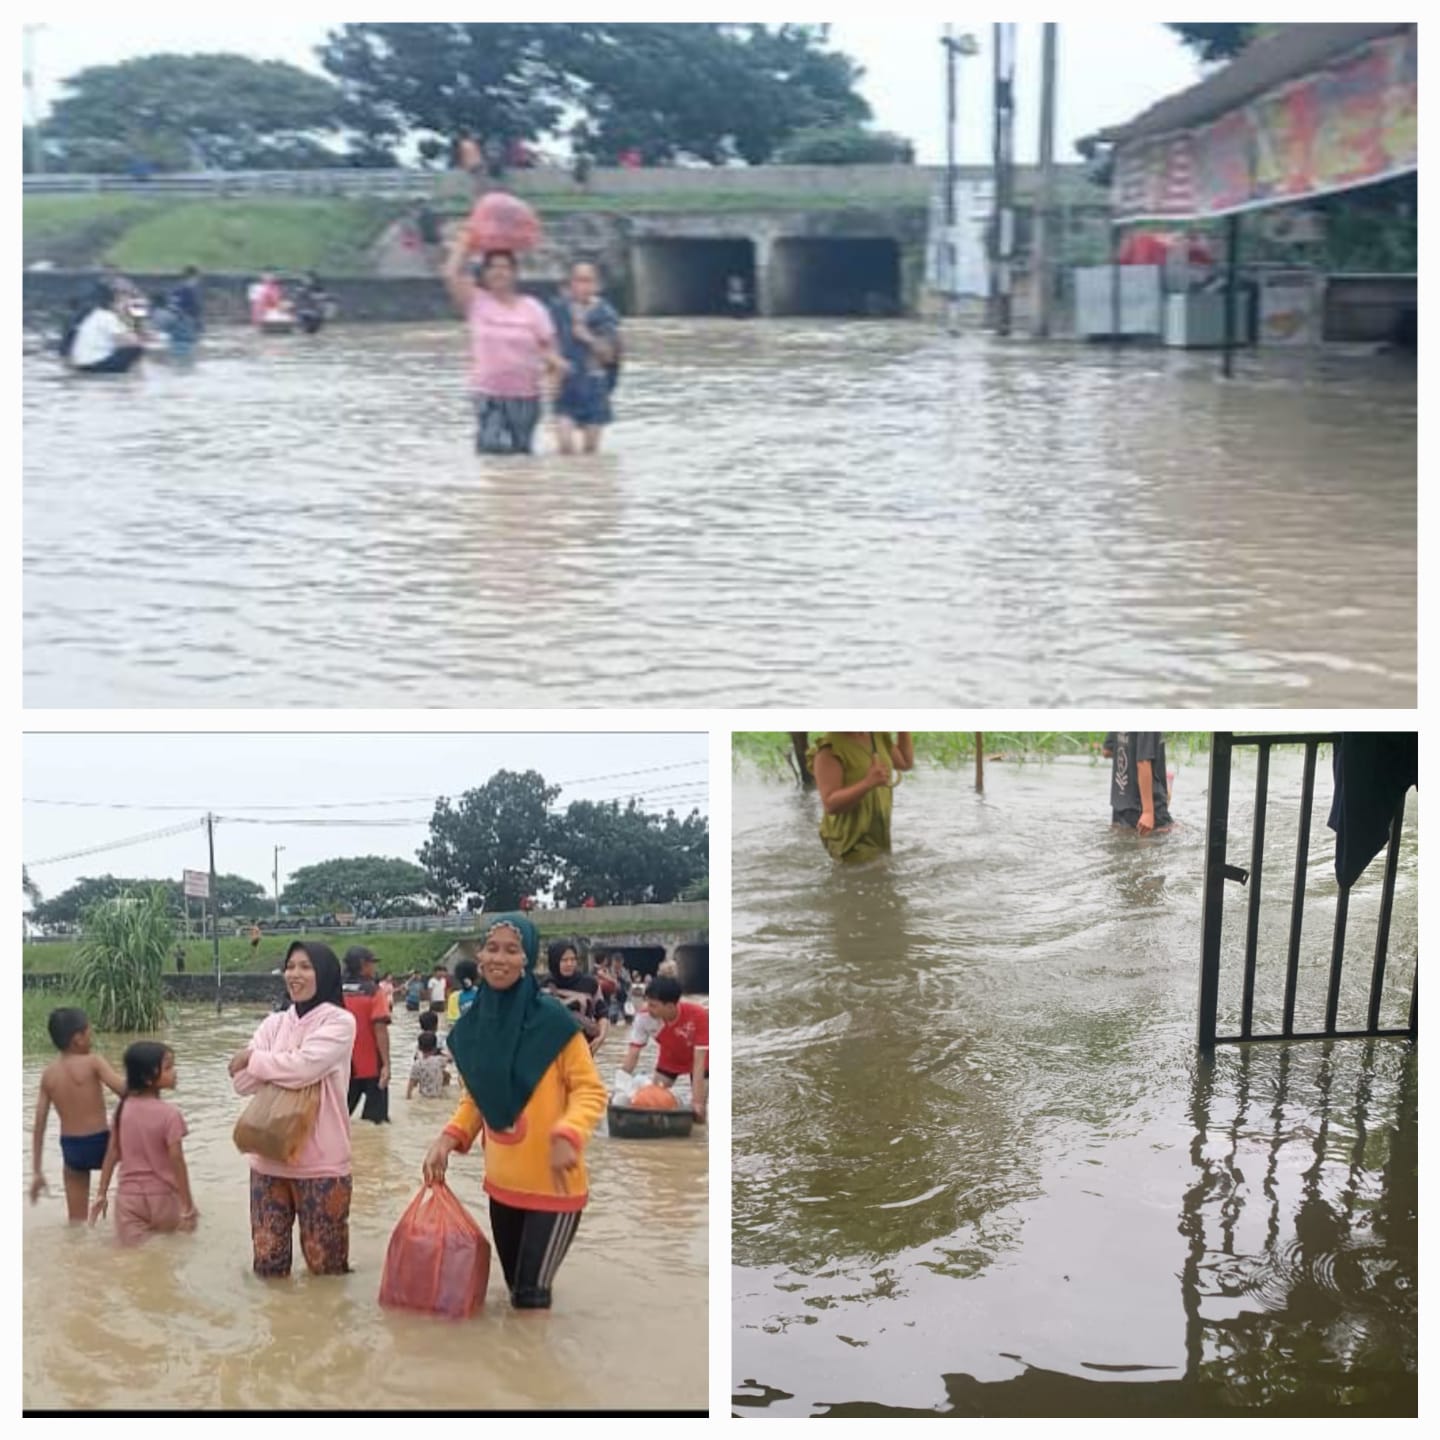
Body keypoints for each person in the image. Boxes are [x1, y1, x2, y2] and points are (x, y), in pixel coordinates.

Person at [423, 914, 606, 1310]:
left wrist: (570, 1133)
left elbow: (590, 1091)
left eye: (512, 949)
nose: (499, 959)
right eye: (492, 948)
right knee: (512, 1290)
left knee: (531, 1298)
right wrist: (448, 1137)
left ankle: (536, 1371)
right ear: (480, 955)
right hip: (502, 1184)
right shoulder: (474, 1028)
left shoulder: (555, 1023)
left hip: (554, 1184)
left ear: (528, 960)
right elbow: (475, 1097)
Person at [230, 941, 357, 1278]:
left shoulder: (340, 1022)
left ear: (325, 973)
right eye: (290, 966)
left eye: (305, 966)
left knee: (326, 1271)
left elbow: (304, 1067)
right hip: (267, 1160)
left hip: (321, 1166)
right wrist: (273, 1065)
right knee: (267, 1268)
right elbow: (240, 1083)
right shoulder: (274, 1023)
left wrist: (258, 1060)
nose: (294, 974)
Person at [442, 236, 567, 455]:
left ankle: (516, 489)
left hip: (526, 395)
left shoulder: (533, 308)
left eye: (505, 267)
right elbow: (450, 275)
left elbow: (550, 349)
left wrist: (554, 375)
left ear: (515, 273)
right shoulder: (476, 302)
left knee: (520, 455)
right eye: (493, 268)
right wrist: (464, 244)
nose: (499, 272)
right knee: (491, 447)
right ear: (485, 273)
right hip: (488, 393)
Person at [88, 1042, 196, 1245]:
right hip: (164, 1198)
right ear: (148, 1078)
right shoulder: (170, 1115)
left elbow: (112, 1153)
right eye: (168, 1068)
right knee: (165, 1263)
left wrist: (101, 1194)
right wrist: (187, 1205)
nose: (175, 1073)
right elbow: (177, 1160)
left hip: (129, 1200)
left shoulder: (122, 1110)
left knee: (131, 1262)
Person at [30, 1007, 126, 1221]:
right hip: (101, 1143)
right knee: (146, 1161)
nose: (92, 1036)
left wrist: (37, 1171)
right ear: (78, 1039)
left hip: (72, 1149)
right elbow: (123, 1090)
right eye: (89, 1032)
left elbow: (39, 1126)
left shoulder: (49, 1075)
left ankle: (77, 1249)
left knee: (76, 1222)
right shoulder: (94, 1062)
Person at [808, 732, 916, 862]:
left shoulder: (877, 736)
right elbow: (830, 803)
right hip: (850, 840)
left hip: (877, 833)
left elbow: (905, 762)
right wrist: (868, 783)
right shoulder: (829, 749)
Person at [550, 261, 621, 456]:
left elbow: (610, 355)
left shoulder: (606, 314)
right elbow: (548, 343)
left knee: (590, 451)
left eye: (589, 281)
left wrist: (587, 336)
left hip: (595, 388)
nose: (584, 286)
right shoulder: (559, 309)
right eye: (579, 281)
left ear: (597, 285)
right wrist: (552, 374)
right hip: (567, 385)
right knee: (565, 446)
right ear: (571, 284)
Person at [623, 974, 707, 1122]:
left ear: (670, 1006)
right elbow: (633, 1053)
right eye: (647, 1003)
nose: (648, 1009)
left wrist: (697, 1102)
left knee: (699, 1114)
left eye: (653, 1005)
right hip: (670, 1058)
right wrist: (619, 1086)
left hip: (702, 1061)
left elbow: (699, 1062)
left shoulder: (698, 1015)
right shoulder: (643, 1017)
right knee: (653, 1102)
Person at [342, 946, 392, 1124]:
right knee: (376, 1126)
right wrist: (386, 1064)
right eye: (372, 963)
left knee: (336, 1122)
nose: (374, 968)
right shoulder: (374, 991)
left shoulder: (334, 991)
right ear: (363, 964)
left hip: (342, 1068)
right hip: (372, 1067)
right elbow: (380, 1028)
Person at [1102, 732, 1174, 835]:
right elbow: (1143, 762)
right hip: (1144, 807)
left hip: (1120, 806)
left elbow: (1107, 751)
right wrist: (1148, 812)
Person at [546, 941, 609, 1055]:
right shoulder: (543, 987)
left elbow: (602, 1013)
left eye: (573, 959)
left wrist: (601, 1037)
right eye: (564, 960)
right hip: (551, 1051)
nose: (570, 964)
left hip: (584, 1047)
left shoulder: (590, 984)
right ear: (554, 961)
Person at [66, 286, 145, 375]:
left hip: (83, 364)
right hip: (94, 365)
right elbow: (133, 341)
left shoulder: (98, 314)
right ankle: (135, 378)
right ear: (113, 303)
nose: (127, 307)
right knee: (136, 348)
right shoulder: (108, 317)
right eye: (124, 303)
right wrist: (133, 319)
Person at [407, 1030, 451, 1100]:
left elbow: (411, 1083)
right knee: (447, 1074)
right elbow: (450, 1059)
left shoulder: (417, 1064)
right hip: (438, 1096)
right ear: (434, 1048)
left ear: (419, 1048)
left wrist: (408, 1096)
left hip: (423, 1097)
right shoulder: (439, 1060)